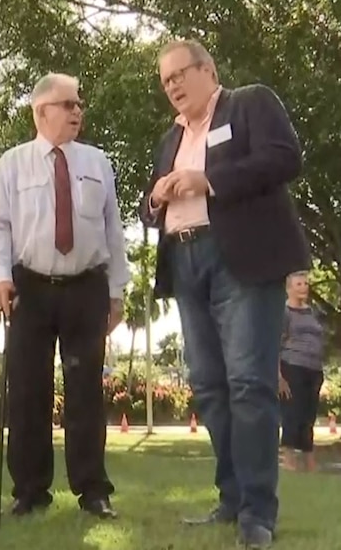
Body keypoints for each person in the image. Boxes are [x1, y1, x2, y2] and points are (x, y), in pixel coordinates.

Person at [141, 39, 310, 548]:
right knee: (210, 386)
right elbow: (152, 204)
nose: (172, 85)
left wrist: (207, 180)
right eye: (165, 80)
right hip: (185, 261)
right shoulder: (167, 139)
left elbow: (285, 159)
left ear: (207, 70)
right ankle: (232, 499)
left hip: (242, 259)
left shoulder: (251, 102)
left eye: (179, 74)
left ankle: (259, 513)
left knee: (249, 384)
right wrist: (155, 197)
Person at [0, 72, 129, 519]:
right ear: (41, 112)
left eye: (78, 104)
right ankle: (29, 490)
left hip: (86, 287)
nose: (77, 111)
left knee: (86, 391)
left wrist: (116, 292)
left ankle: (93, 490)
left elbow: (113, 230)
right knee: (27, 390)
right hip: (30, 288)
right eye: (67, 104)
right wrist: (0, 276)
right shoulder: (12, 164)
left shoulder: (98, 162)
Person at [279, 271, 326, 472]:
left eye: (306, 283)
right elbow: (275, 344)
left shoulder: (312, 312)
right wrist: (278, 376)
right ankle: (289, 461)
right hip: (292, 366)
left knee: (309, 416)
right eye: (299, 284)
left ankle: (309, 463)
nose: (304, 287)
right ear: (289, 288)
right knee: (292, 413)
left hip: (314, 369)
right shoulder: (285, 312)